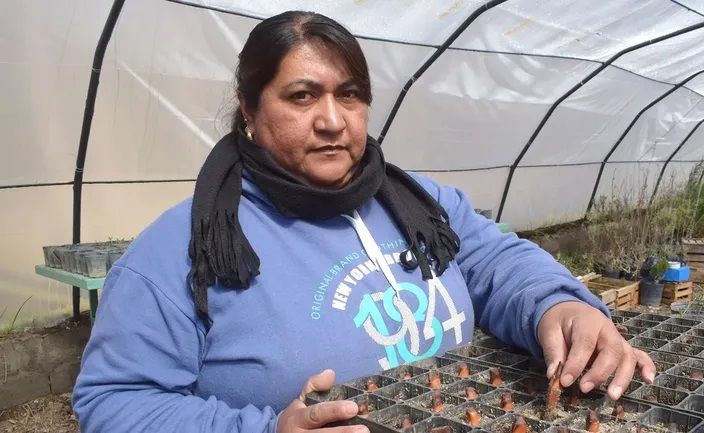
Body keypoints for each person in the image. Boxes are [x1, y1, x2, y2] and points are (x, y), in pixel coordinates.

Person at [72, 10, 655, 433]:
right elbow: (116, 401)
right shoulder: (184, 249)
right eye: (302, 97)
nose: (332, 120)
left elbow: (496, 259)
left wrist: (560, 305)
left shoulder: (415, 203)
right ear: (249, 108)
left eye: (349, 95)